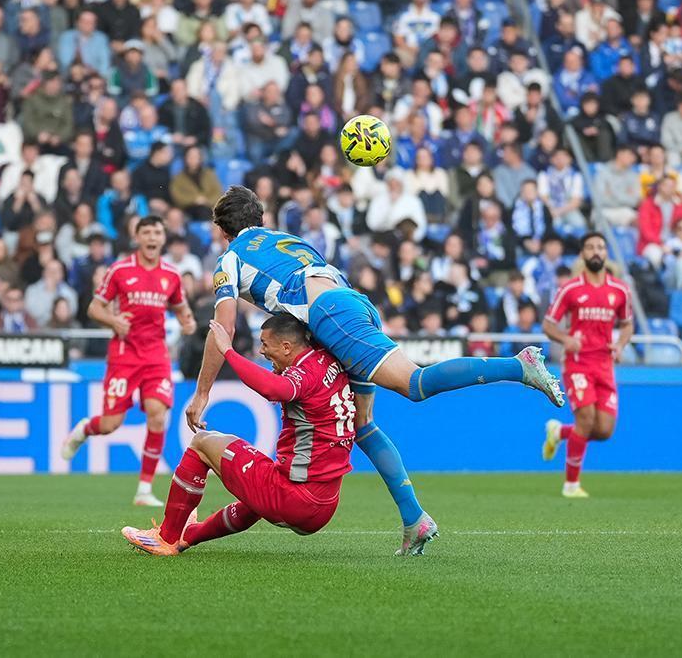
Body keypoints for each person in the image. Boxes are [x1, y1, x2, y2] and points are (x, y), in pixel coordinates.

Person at [187, 186, 564, 554]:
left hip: (332, 315)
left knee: (415, 383)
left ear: (221, 230)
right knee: (363, 425)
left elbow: (225, 329)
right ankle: (414, 520)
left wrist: (202, 392)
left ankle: (518, 365)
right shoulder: (286, 239)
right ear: (261, 218)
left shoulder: (230, 258)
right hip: (352, 303)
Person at [122, 314, 355, 556]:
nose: (261, 351)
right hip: (324, 505)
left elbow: (274, 389)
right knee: (258, 491)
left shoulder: (304, 373)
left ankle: (166, 538)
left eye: (265, 344)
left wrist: (227, 351)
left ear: (287, 347)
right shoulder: (327, 359)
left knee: (202, 442)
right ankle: (189, 535)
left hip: (295, 499)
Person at [61, 216, 196, 506]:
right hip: (124, 355)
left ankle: (144, 490)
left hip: (156, 355)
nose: (152, 237)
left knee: (158, 414)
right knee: (111, 424)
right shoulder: (120, 270)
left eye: (157, 232)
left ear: (163, 238)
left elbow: (181, 307)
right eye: (146, 232)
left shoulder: (171, 275)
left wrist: (188, 322)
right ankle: (86, 429)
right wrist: (113, 321)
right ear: (137, 237)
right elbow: (94, 308)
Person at [541, 232, 634, 499]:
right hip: (578, 363)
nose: (596, 251)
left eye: (601, 247)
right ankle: (571, 485)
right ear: (582, 254)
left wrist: (620, 344)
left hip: (605, 364)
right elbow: (548, 324)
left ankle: (559, 432)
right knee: (586, 419)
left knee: (604, 430)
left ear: (606, 254)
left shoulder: (619, 290)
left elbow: (627, 324)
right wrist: (565, 338)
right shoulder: (570, 289)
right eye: (591, 247)